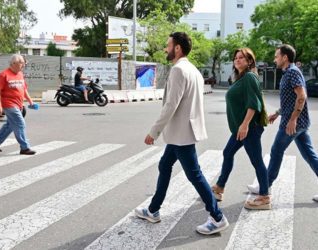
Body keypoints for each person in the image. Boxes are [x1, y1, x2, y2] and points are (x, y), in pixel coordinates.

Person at [134, 32, 229, 235]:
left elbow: (171, 105)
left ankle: (217, 217)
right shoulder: (193, 69)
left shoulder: (178, 70)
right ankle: (153, 210)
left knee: (195, 175)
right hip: (184, 131)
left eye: (168, 45)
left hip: (181, 134)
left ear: (177, 48)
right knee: (165, 165)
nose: (166, 49)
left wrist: (154, 132)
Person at [247, 44, 318, 202]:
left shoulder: (292, 72)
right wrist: (277, 113)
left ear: (285, 57)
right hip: (298, 122)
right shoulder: (288, 72)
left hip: (293, 123)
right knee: (310, 155)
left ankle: (265, 185)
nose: (275, 59)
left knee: (276, 151)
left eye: (277, 56)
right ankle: (265, 184)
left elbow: (301, 96)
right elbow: (290, 99)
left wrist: (292, 120)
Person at [211, 48, 271, 210]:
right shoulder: (240, 78)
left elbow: (253, 104)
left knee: (256, 161)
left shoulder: (249, 77)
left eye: (241, 58)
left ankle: (264, 197)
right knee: (228, 153)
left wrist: (244, 125)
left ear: (249, 61)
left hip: (249, 128)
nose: (237, 60)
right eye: (235, 58)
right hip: (241, 129)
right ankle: (219, 187)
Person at [0, 54, 36, 155]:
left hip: (19, 104)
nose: (23, 65)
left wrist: (30, 101)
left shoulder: (20, 74)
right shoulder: (4, 75)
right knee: (20, 123)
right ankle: (24, 148)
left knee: (10, 125)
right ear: (13, 63)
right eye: (21, 63)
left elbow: (24, 89)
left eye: (23, 63)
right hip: (9, 104)